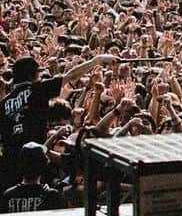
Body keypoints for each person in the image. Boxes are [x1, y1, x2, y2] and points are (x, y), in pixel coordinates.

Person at [1, 54, 116, 190]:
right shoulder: (38, 89)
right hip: (36, 162)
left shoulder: (3, 104)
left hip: (9, 165)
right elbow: (71, 75)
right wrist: (98, 60)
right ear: (32, 75)